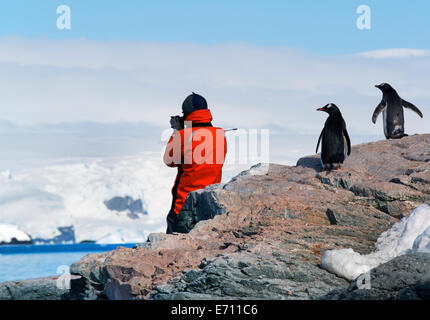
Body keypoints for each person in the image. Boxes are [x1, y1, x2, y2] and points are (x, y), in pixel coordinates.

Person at [163, 93, 227, 234]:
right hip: (210, 202)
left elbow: (169, 160)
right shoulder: (221, 135)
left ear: (187, 114)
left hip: (183, 205)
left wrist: (176, 131)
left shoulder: (183, 136)